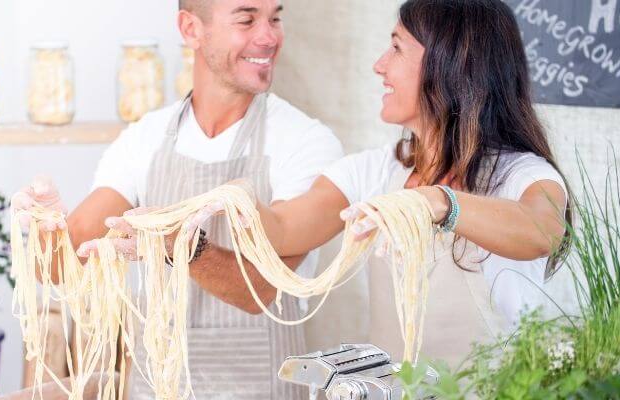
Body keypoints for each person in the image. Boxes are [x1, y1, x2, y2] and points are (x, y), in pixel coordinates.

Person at [145, 0, 572, 367]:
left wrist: (439, 202)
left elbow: (543, 230)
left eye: (397, 48)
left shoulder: (522, 175)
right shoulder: (375, 171)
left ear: (450, 66)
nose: (379, 65)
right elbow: (285, 229)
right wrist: (238, 200)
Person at [12, 0, 343, 398]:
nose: (268, 36)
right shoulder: (145, 139)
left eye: (275, 18)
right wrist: (47, 226)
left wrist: (181, 246)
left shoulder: (305, 142)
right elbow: (62, 262)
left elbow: (260, 290)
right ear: (190, 29)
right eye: (247, 19)